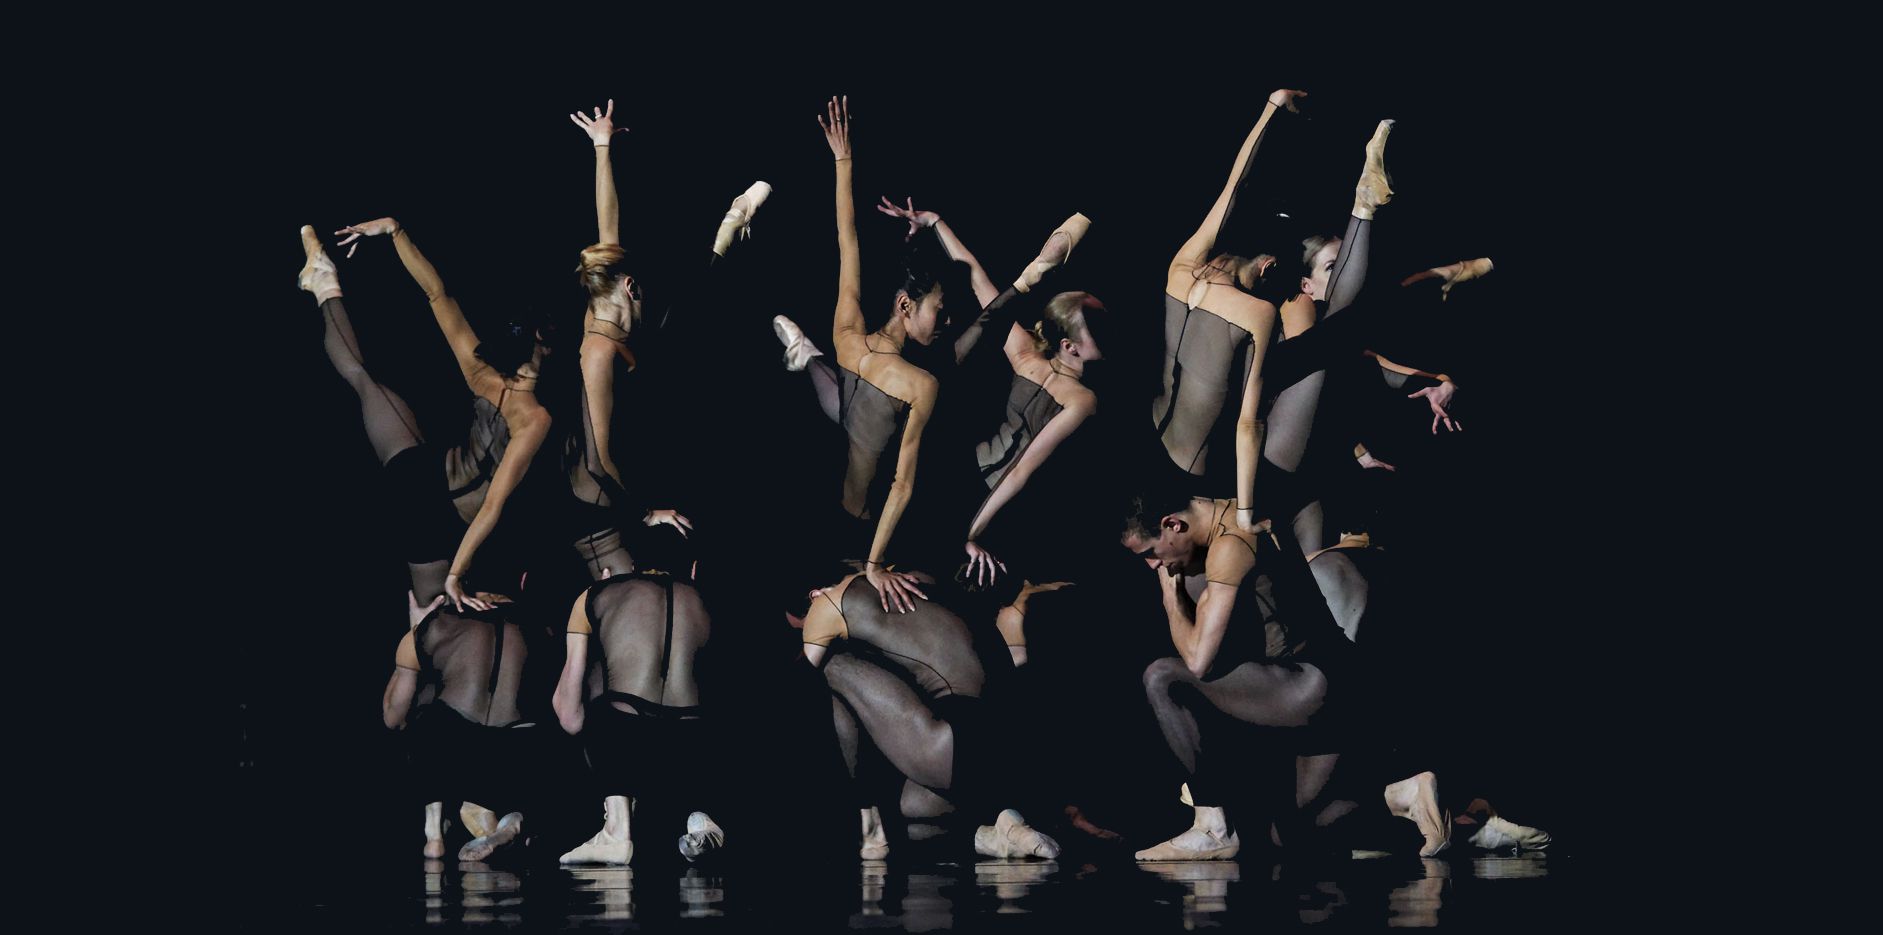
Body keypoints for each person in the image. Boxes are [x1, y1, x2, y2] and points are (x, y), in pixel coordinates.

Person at [303, 219, 552, 612]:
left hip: (422, 476)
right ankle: (321, 279)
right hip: (432, 515)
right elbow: (492, 506)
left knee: (363, 379)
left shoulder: (482, 373)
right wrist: (456, 574)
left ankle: (323, 282)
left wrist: (395, 230)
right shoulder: (535, 417)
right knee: (433, 619)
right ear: (544, 342)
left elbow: (438, 294)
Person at [795, 568, 1060, 861]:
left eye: (800, 630)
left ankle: (868, 826)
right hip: (1009, 748)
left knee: (830, 667)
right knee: (907, 816)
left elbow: (799, 689)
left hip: (958, 742)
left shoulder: (826, 604)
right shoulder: (913, 580)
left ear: (814, 595)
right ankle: (1001, 831)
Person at [551, 529, 725, 865]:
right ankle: (700, 814)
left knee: (604, 701)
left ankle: (616, 829)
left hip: (624, 742)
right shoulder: (710, 600)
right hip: (695, 747)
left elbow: (569, 717)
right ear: (692, 568)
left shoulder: (595, 595)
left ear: (632, 565)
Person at [382, 587, 538, 861]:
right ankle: (511, 820)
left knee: (426, 711)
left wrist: (416, 630)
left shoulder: (436, 625)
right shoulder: (540, 625)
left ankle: (434, 834)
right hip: (517, 751)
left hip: (452, 749)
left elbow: (392, 718)